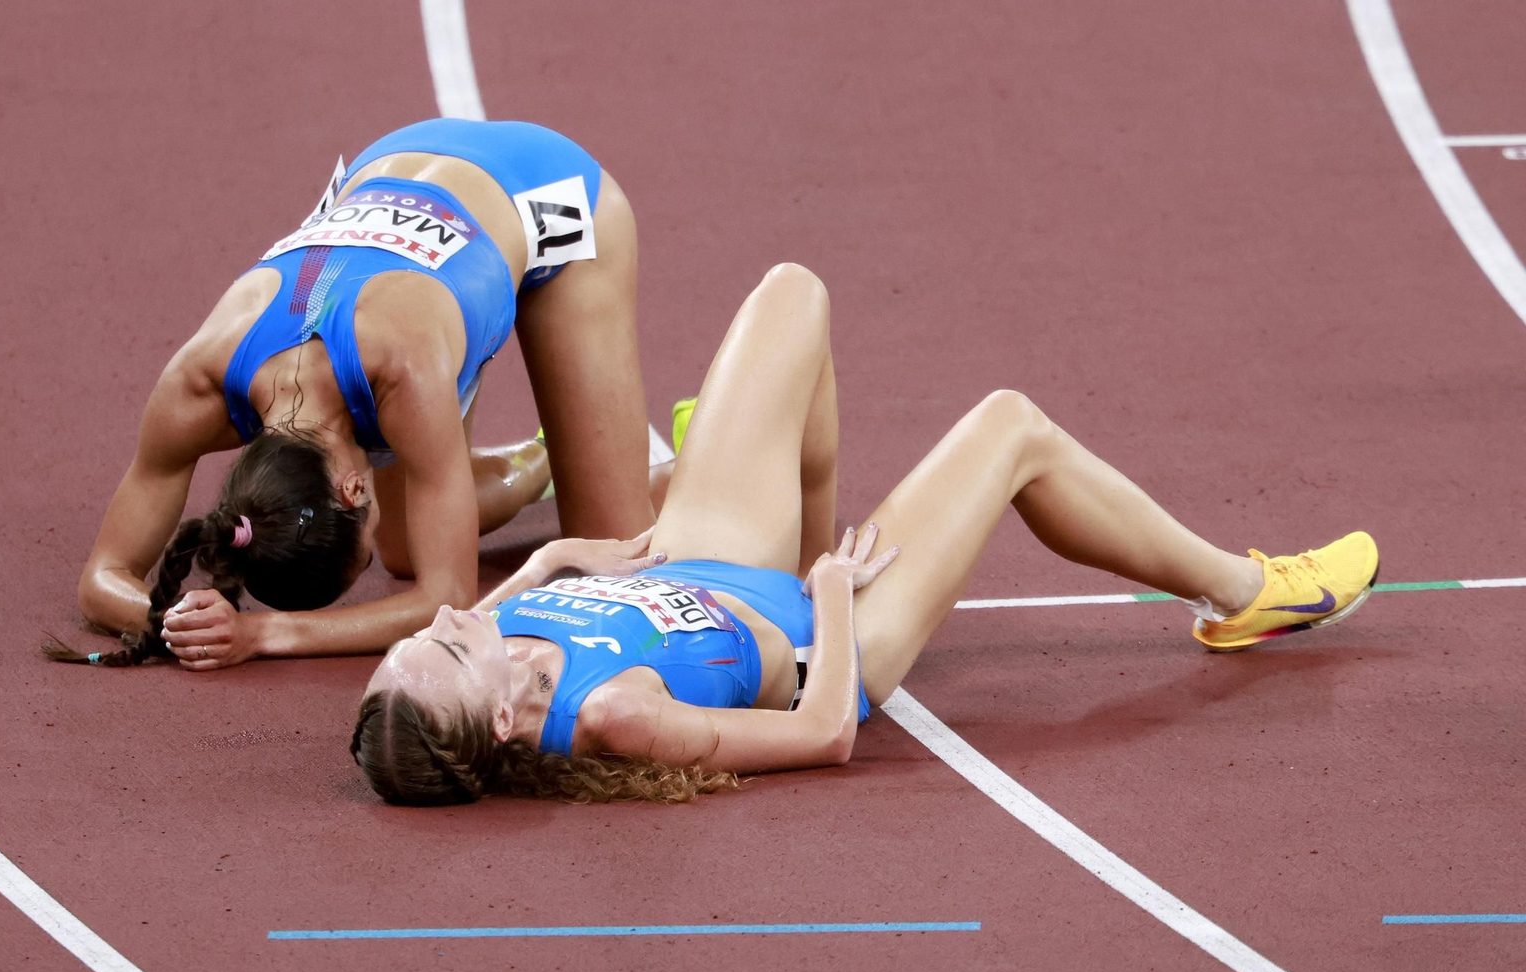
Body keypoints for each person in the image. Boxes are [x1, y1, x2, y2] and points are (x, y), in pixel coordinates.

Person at [350, 264, 1380, 805]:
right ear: (495, 727)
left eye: (419, 634)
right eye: (443, 645)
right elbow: (822, 734)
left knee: (791, 294)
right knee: (1010, 426)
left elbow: (473, 621)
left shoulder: (487, 657)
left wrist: (547, 562)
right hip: (819, 642)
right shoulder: (617, 715)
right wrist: (835, 594)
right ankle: (1245, 594)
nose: (446, 616)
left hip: (700, 564)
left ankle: (807, 516)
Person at [60, 119, 658, 671]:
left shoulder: (401, 372)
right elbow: (101, 580)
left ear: (352, 488)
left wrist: (264, 633)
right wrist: (174, 622)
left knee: (614, 555)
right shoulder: (196, 386)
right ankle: (553, 457)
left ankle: (701, 448)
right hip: (394, 177)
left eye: (357, 547)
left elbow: (448, 598)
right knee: (405, 549)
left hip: (546, 193)